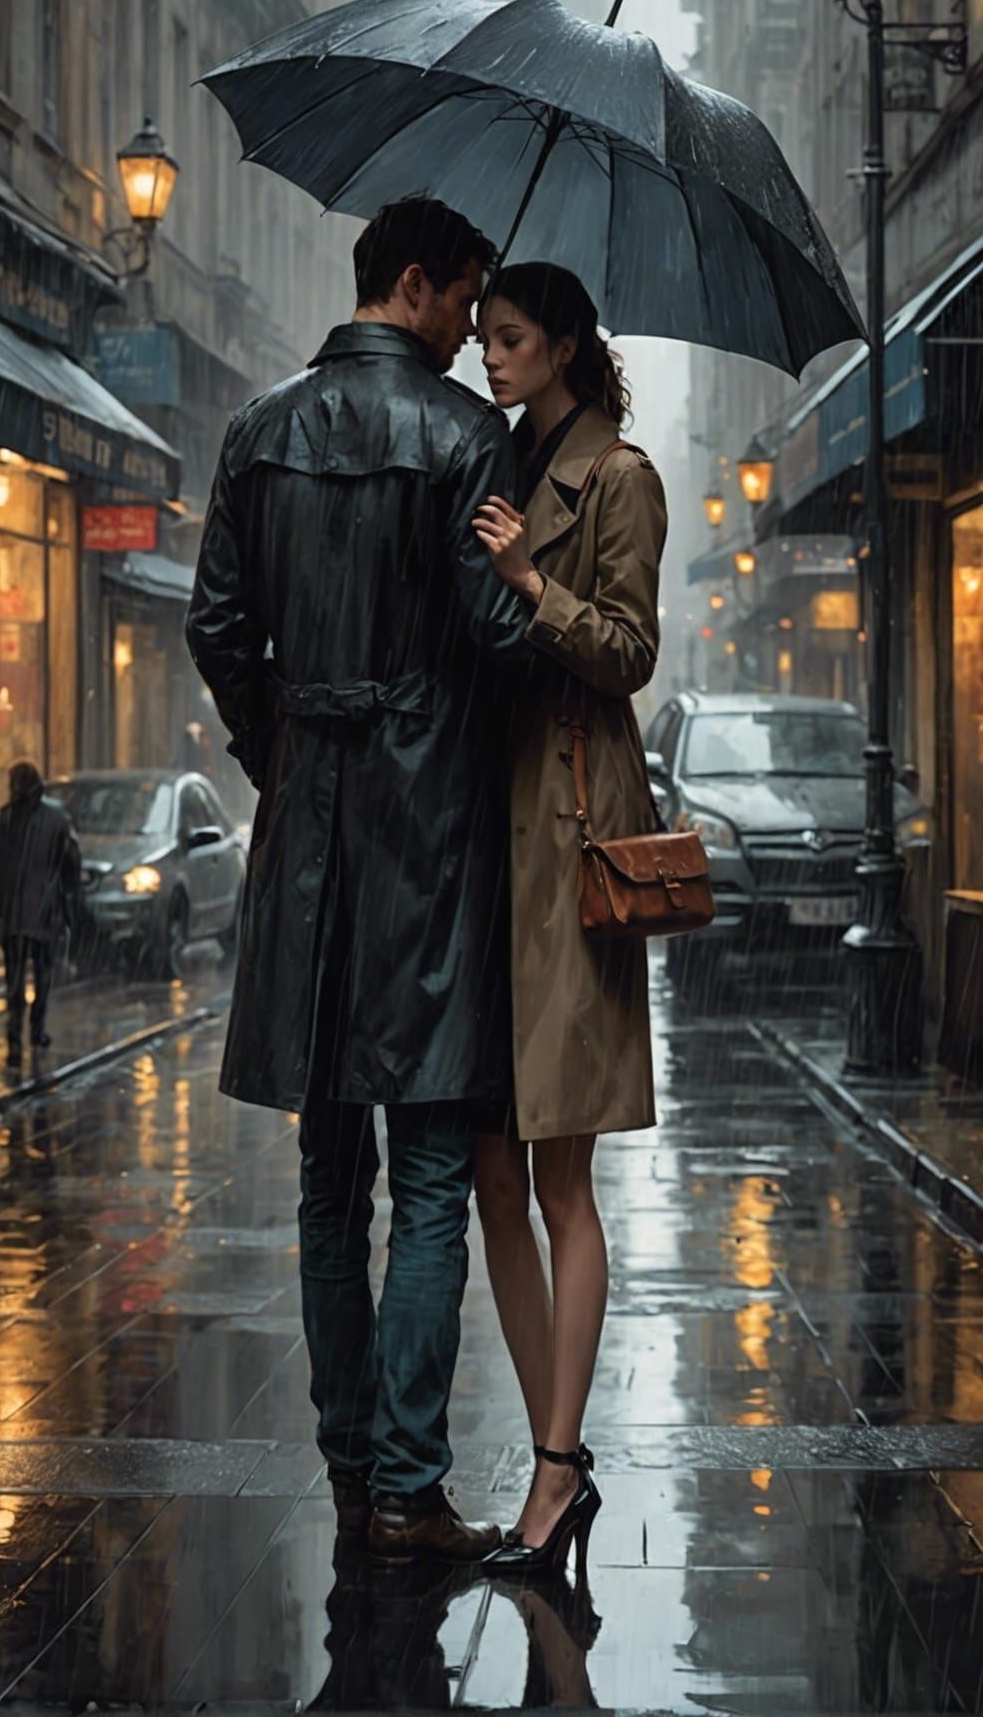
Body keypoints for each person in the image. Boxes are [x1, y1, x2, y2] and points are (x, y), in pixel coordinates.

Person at [187, 197, 530, 1564]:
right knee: (432, 1169)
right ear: (414, 282)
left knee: (331, 1171)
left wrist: (288, 747)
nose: (471, 331)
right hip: (431, 843)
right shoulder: (466, 437)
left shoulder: (257, 430)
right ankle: (407, 1484)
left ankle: (349, 1462)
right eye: (464, 299)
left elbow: (217, 624)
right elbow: (500, 638)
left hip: (309, 844)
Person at [472, 261, 667, 1575]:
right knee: (492, 1159)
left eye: (511, 338)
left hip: (576, 834)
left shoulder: (620, 477)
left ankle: (554, 1469)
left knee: (559, 1171)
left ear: (566, 347)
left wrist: (533, 590)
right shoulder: (498, 464)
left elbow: (633, 651)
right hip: (492, 833)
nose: (490, 357)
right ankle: (558, 1458)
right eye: (484, 337)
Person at [0, 761, 80, 1059]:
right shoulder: (56, 820)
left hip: (11, 912)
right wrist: (65, 892)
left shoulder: (2, 821)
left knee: (15, 974)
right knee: (44, 971)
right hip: (44, 911)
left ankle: (14, 1036)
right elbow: (71, 865)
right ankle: (36, 1029)